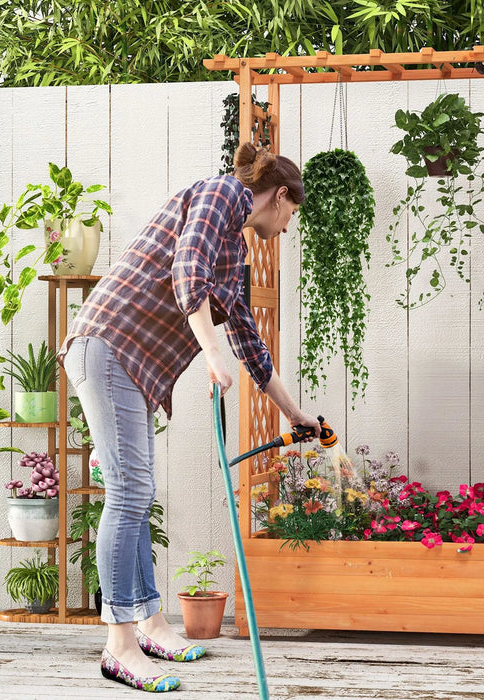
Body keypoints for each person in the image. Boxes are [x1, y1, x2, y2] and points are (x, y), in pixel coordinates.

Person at [58, 143, 320, 693]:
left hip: (128, 364)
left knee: (137, 493)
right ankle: (120, 646)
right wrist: (210, 354)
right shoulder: (220, 194)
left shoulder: (235, 251)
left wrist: (297, 415)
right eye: (291, 213)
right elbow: (185, 273)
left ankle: (150, 624)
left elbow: (251, 345)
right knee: (129, 494)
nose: (288, 226)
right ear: (277, 197)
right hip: (109, 346)